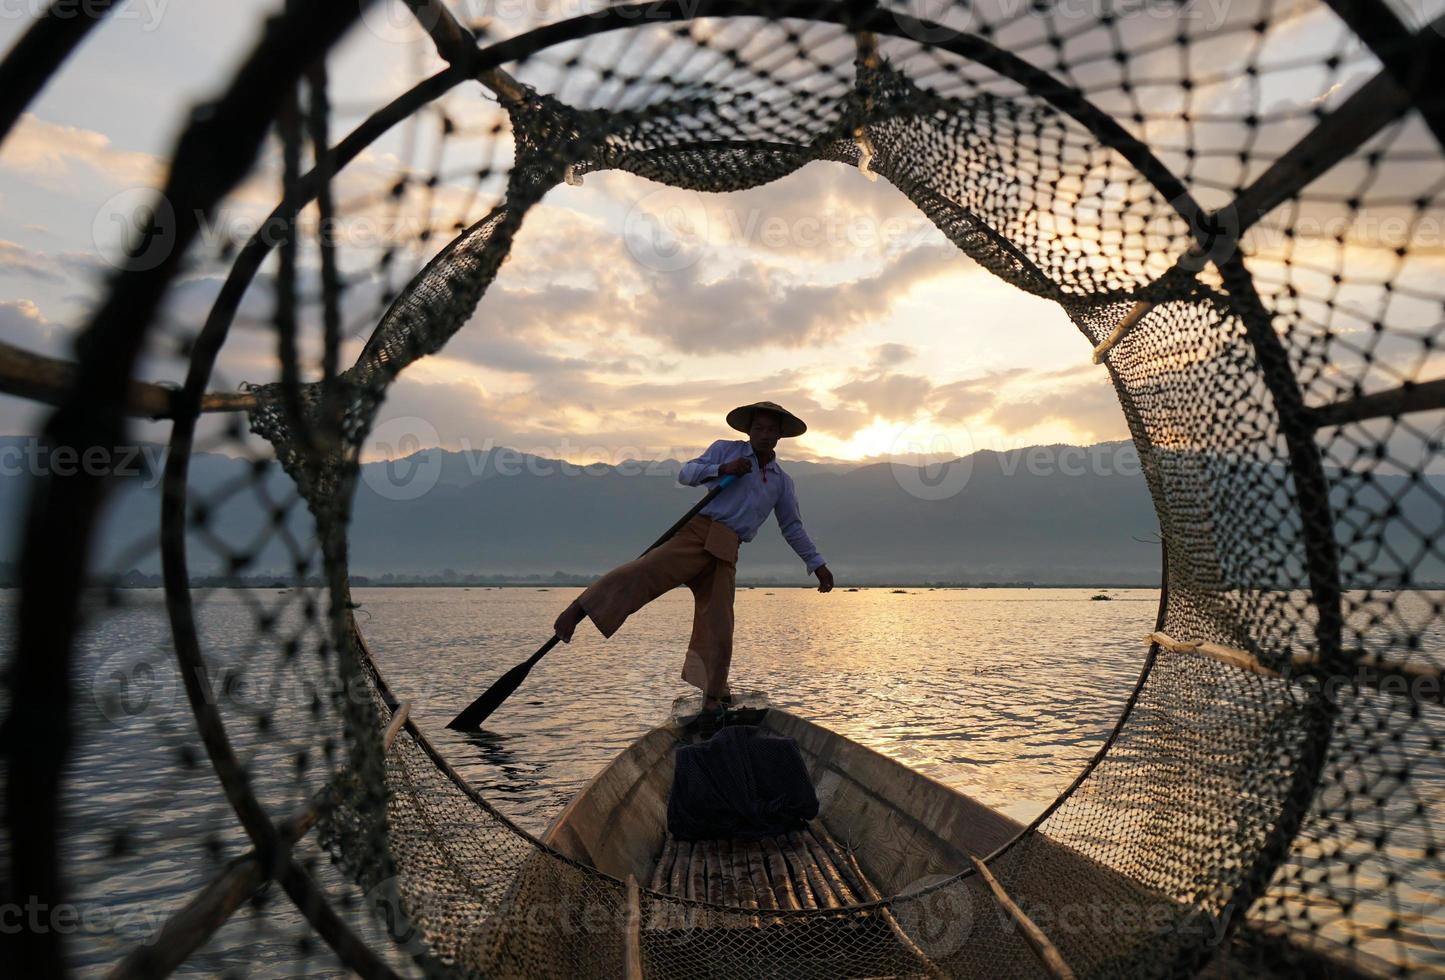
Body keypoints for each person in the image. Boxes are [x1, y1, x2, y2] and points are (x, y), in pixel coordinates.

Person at [552, 400, 834, 718]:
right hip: (696, 535)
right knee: (642, 573)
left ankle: (712, 699)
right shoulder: (726, 450)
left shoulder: (782, 481)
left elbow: (792, 526)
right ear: (749, 431)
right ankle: (577, 610)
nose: (765, 434)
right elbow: (686, 473)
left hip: (727, 550)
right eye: (759, 428)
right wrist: (722, 470)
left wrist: (817, 564)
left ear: (781, 434)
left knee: (720, 626)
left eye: (771, 430)